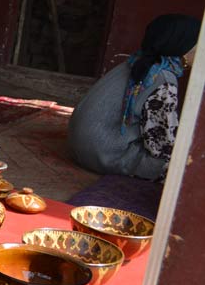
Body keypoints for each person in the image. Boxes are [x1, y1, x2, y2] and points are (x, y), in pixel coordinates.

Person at [68, 13, 200, 180]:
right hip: (102, 153)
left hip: (77, 146)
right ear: (183, 47)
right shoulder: (164, 79)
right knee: (185, 167)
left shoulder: (138, 62)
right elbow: (162, 146)